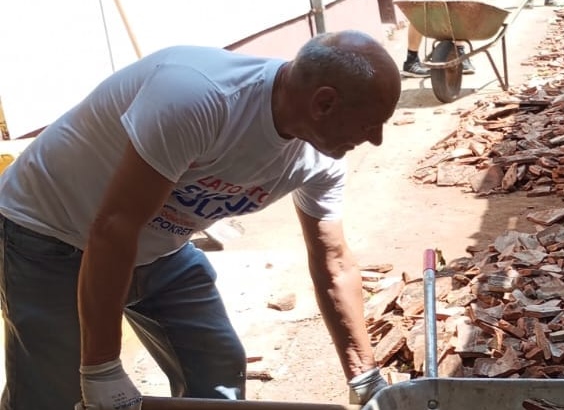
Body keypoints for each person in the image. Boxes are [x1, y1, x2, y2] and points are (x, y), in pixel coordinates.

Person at [0, 31, 402, 409]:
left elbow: (333, 262)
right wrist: (102, 366)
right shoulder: (200, 97)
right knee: (55, 390)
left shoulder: (319, 158)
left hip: (154, 244)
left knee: (216, 367)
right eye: (371, 124)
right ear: (324, 103)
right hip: (49, 231)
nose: (378, 139)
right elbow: (114, 227)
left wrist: (364, 377)